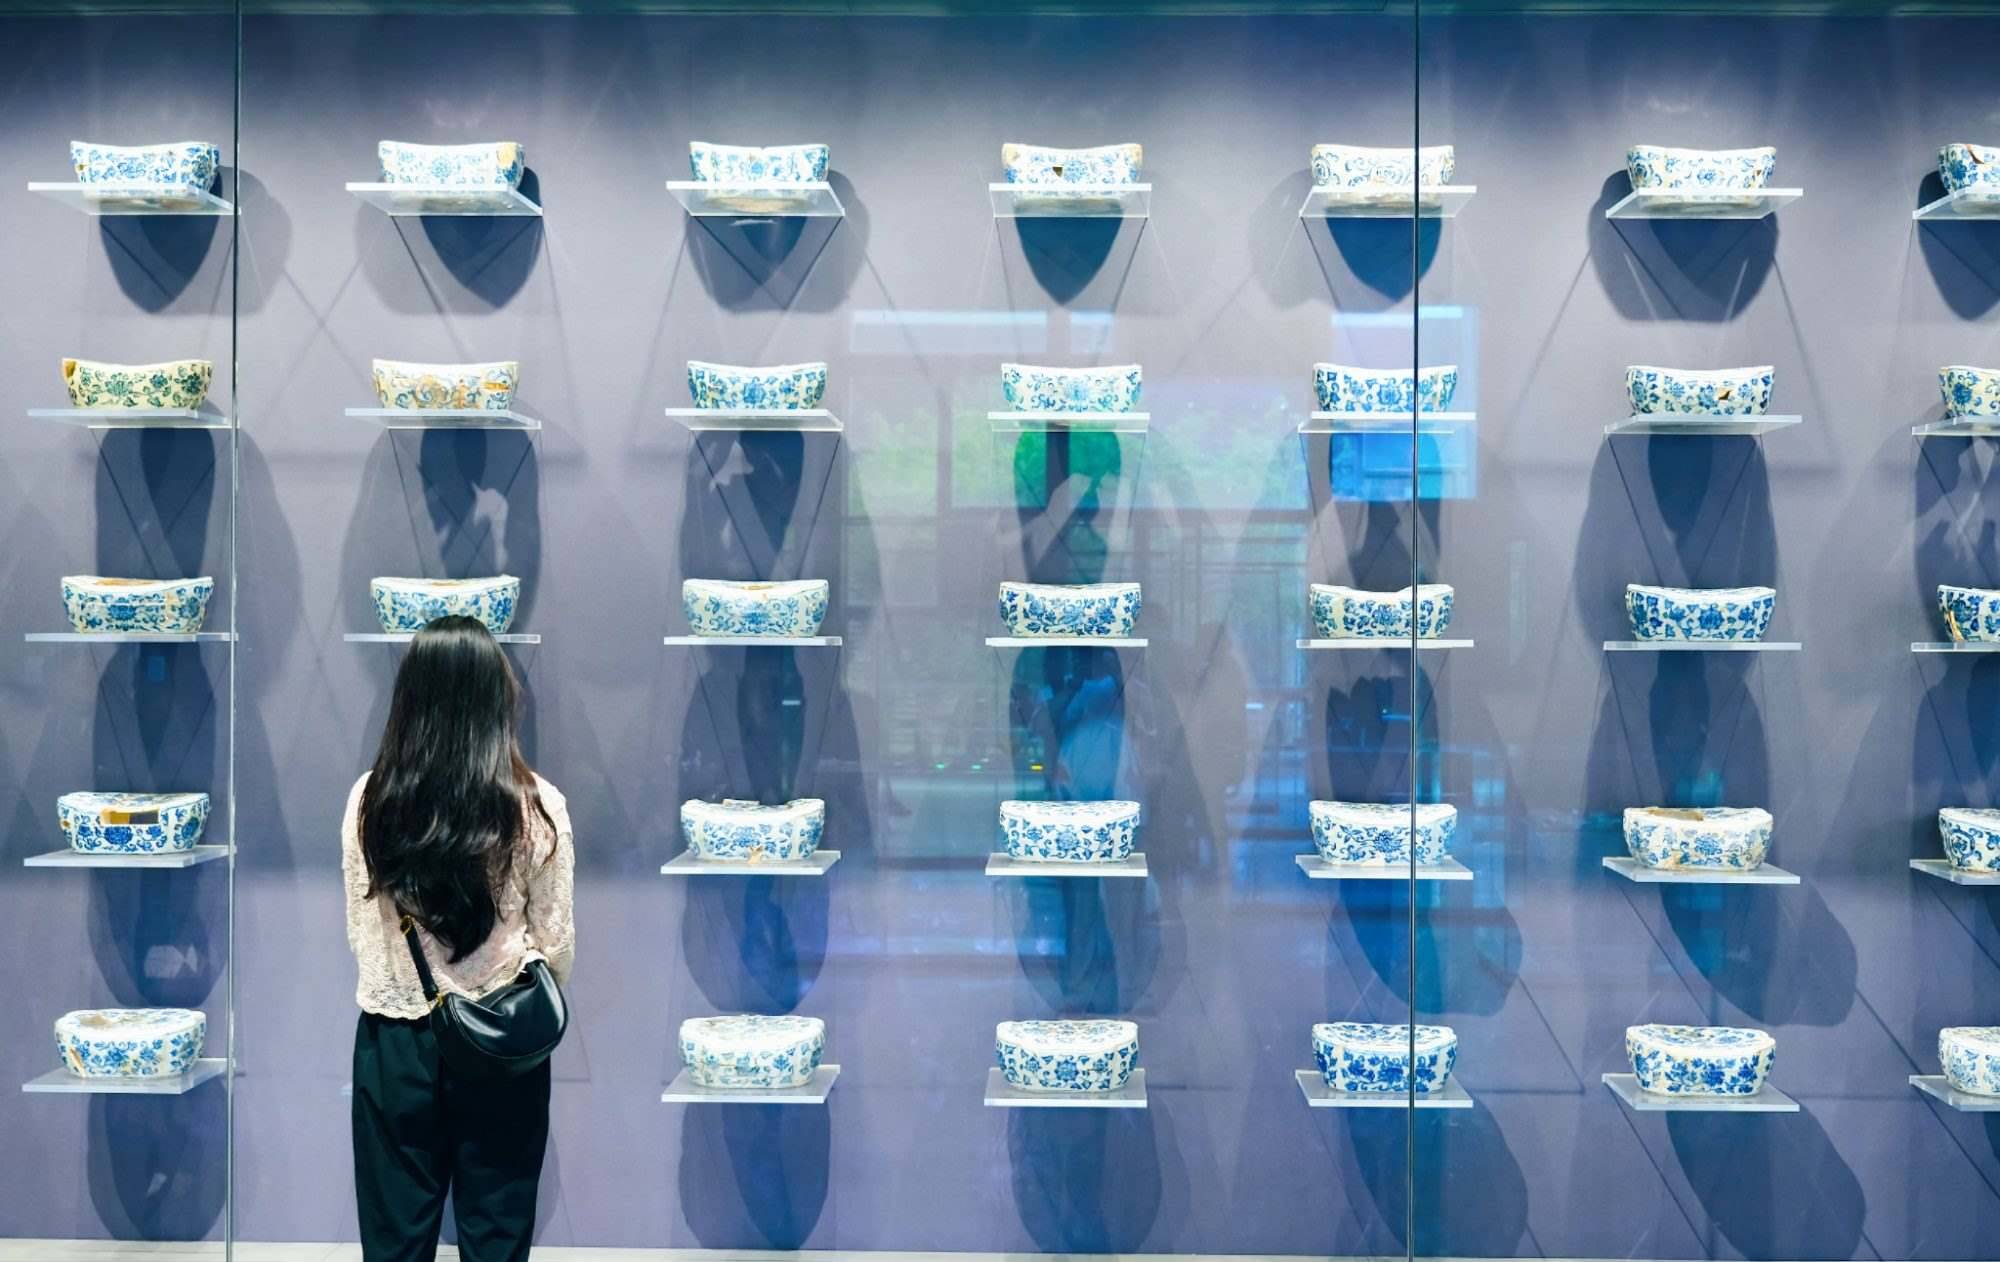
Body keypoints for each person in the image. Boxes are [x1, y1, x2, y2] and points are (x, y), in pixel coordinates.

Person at [342, 615, 575, 1262]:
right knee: (497, 1236)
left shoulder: (370, 800)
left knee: (394, 1242)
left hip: (394, 1042)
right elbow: (556, 944)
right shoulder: (537, 805)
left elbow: (362, 933)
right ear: (496, 698)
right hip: (501, 1039)